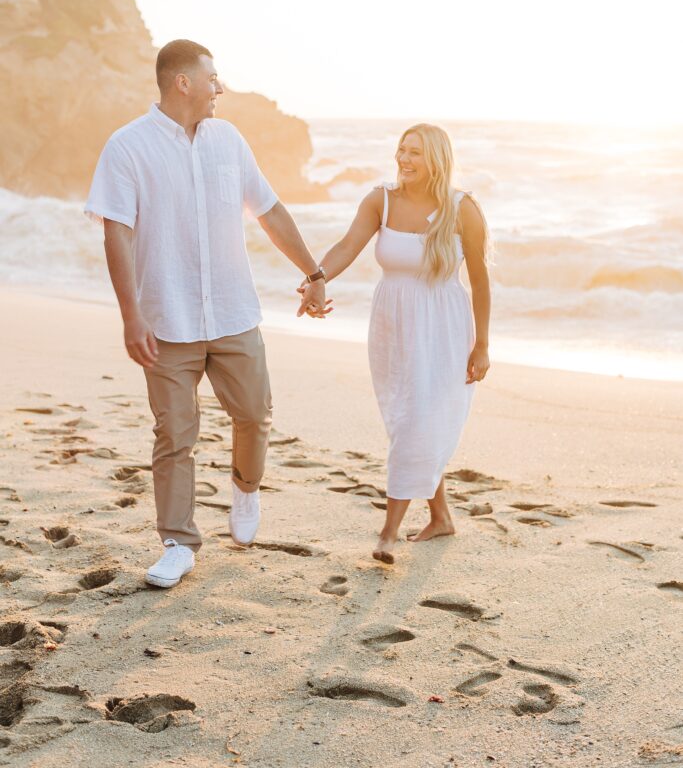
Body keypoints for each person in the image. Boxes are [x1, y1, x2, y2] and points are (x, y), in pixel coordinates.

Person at [85, 39, 329, 588]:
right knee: (174, 433)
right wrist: (131, 315)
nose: (220, 88)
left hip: (233, 310)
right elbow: (116, 234)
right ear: (183, 83)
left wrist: (313, 274)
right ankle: (178, 542)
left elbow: (268, 210)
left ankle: (245, 490)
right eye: (212, 77)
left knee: (255, 413)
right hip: (165, 318)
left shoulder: (229, 140)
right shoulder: (127, 148)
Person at [306, 123, 490, 563]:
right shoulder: (380, 200)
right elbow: (348, 245)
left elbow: (481, 281)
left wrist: (482, 344)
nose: (404, 160)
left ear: (437, 161)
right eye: (401, 151)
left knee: (417, 422)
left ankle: (388, 533)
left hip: (443, 327)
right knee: (408, 418)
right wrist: (317, 280)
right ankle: (441, 516)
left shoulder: (462, 209)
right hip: (392, 325)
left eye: (416, 154)